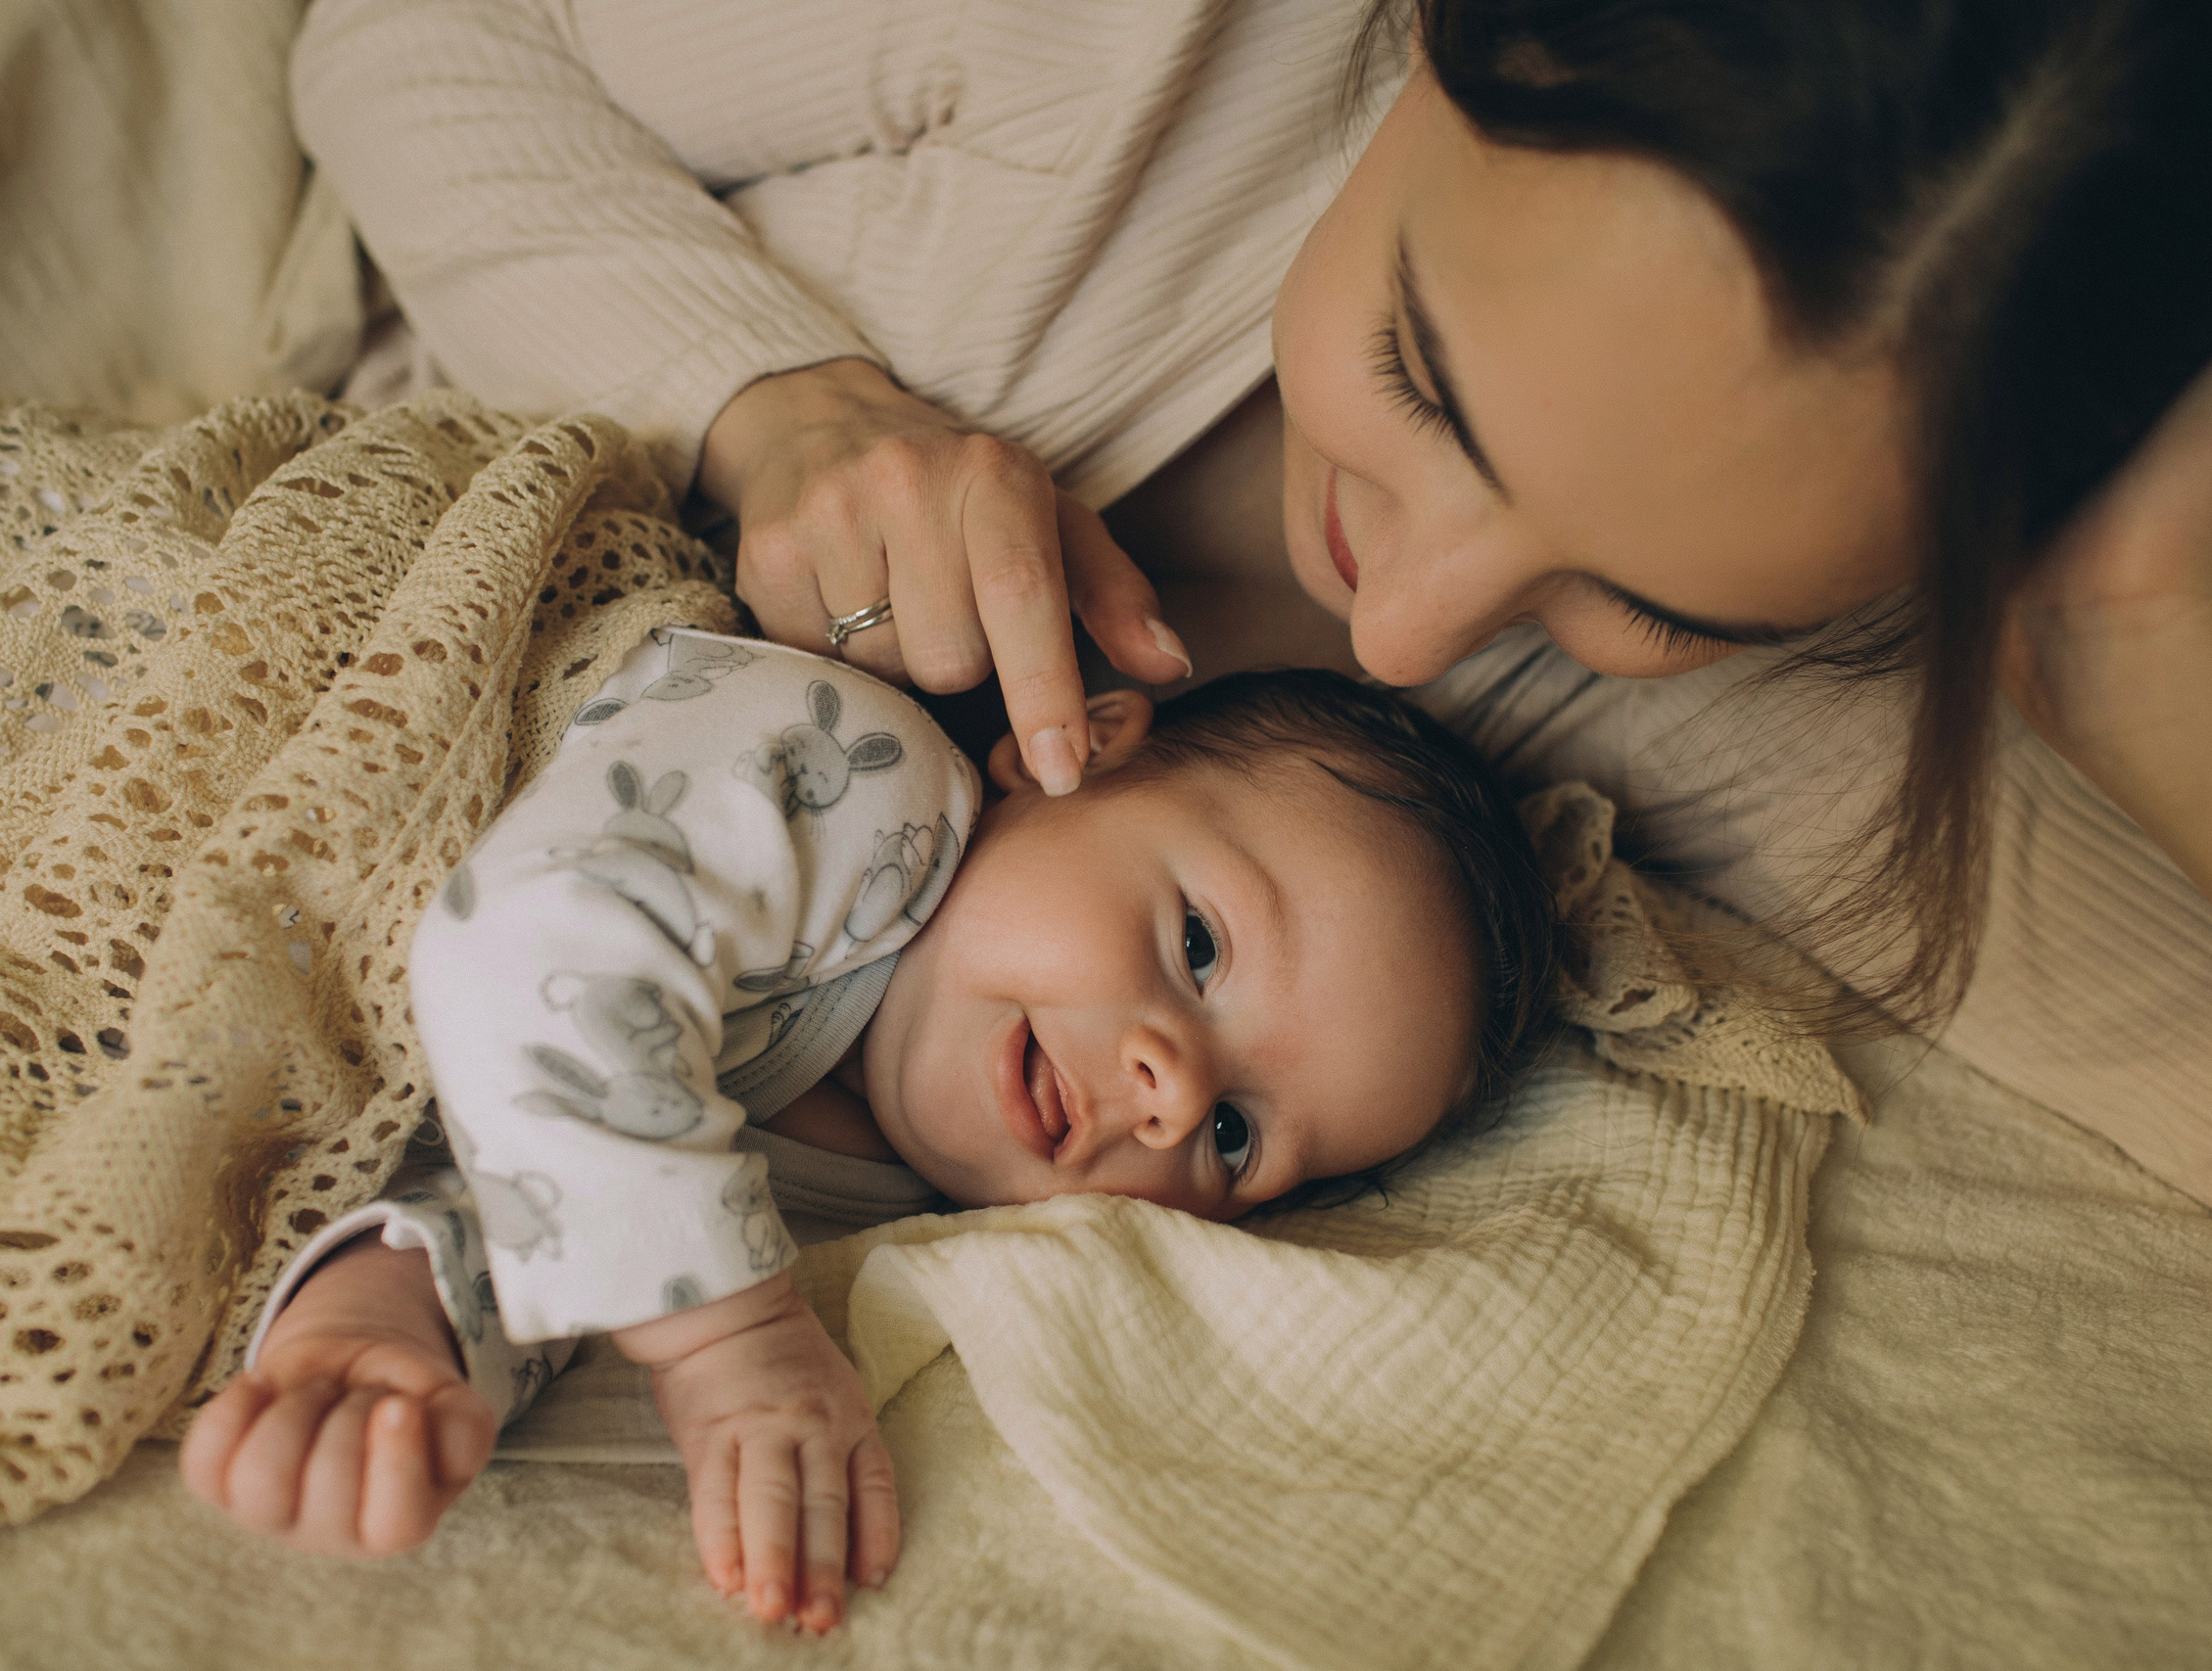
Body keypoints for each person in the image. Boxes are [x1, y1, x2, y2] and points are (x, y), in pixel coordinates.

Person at [290, 0, 2212, 1193]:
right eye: (1417, 374)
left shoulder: (1809, 670)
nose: (1408, 626)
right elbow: (412, 40)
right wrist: (776, 400)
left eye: (1646, 597)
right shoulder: (1143, 45)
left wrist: (2124, 616)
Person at [178, 634, 1557, 1630]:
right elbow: (542, 940)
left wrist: (385, 1329)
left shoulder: (867, 1215)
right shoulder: (858, 779)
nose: (1172, 1092)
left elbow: (557, 1214)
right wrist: (726, 1341)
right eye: (1198, 944)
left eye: (1241, 1142)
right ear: (1079, 751)